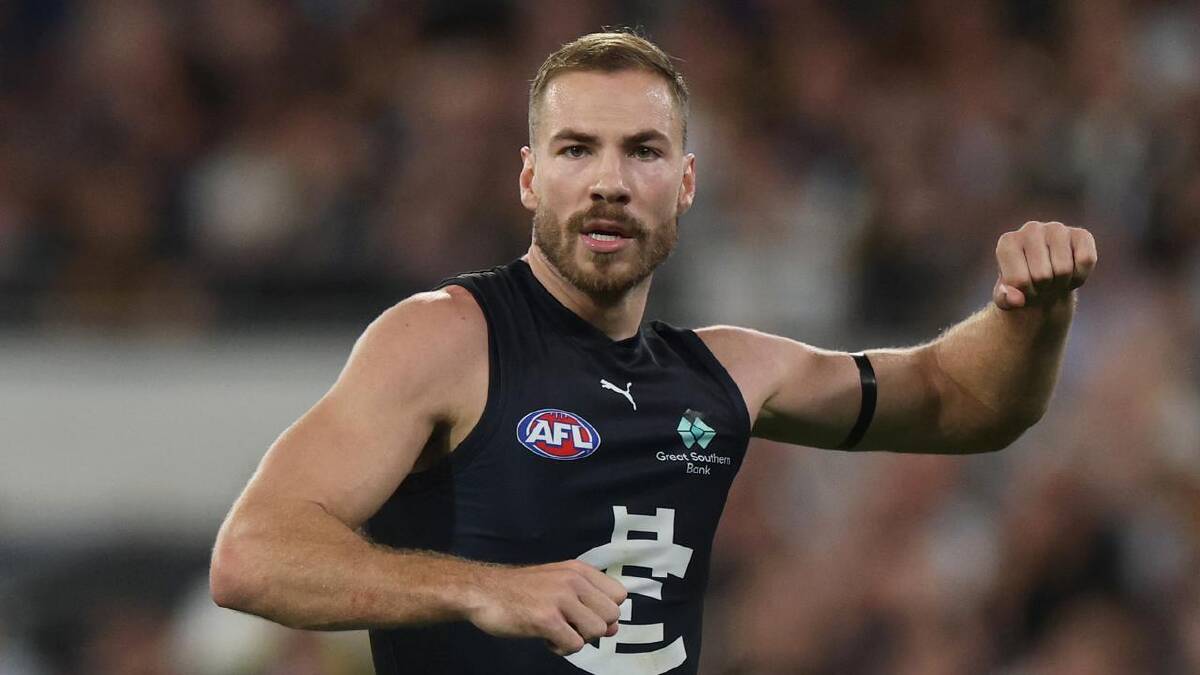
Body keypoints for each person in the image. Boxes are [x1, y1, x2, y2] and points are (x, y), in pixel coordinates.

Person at [209, 31, 1097, 675]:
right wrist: (483, 589)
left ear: (686, 181)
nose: (607, 181)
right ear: (529, 177)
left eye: (642, 151)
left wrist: (1031, 314)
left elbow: (965, 403)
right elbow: (252, 555)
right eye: (575, 150)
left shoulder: (726, 372)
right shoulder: (446, 338)